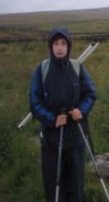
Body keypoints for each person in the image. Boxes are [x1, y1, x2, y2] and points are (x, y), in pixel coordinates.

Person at [30, 27, 97, 202]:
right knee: (54, 184)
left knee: (75, 185)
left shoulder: (77, 68)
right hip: (52, 139)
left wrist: (81, 110)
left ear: (68, 46)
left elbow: (90, 93)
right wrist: (52, 119)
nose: (59, 48)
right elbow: (35, 102)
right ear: (50, 47)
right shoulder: (42, 70)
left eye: (63, 44)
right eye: (56, 44)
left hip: (75, 137)